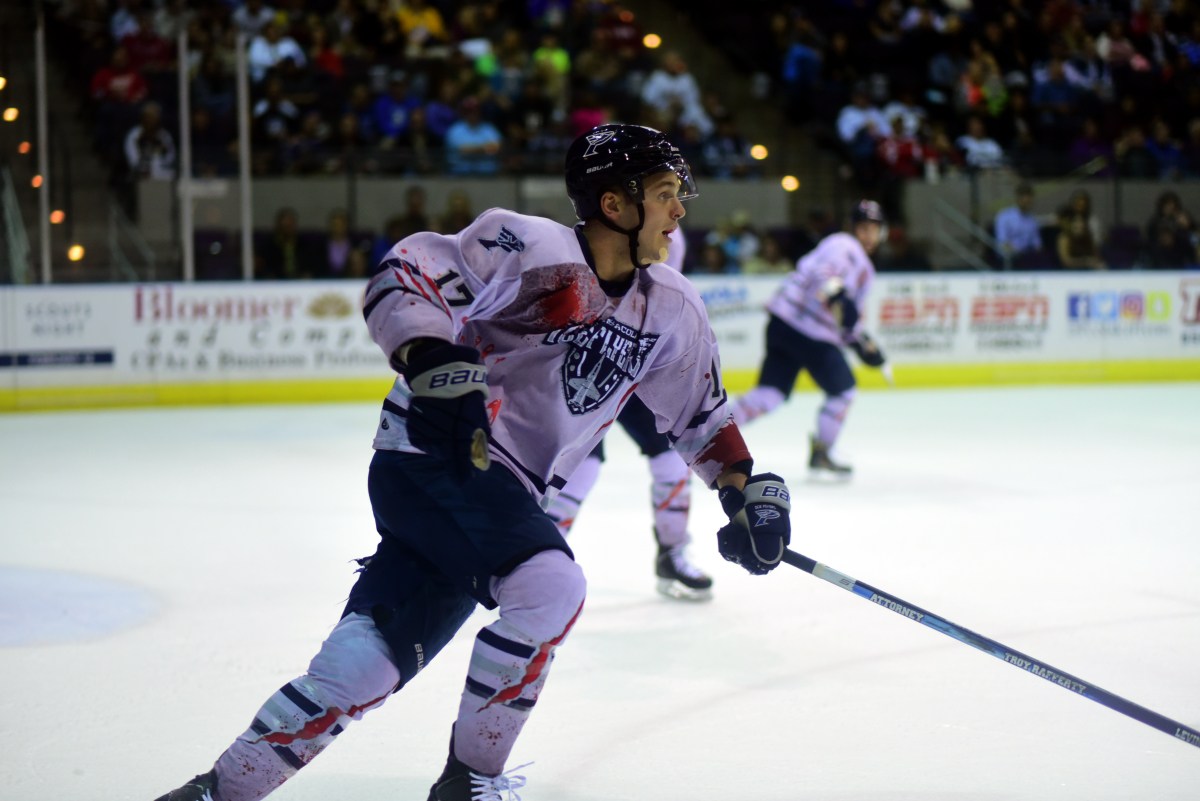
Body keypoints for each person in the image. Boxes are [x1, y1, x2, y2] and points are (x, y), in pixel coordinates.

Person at [151, 123, 793, 801]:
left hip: (492, 498)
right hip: (436, 451)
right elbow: (408, 272)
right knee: (551, 585)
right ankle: (471, 782)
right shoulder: (531, 246)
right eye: (665, 194)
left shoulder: (672, 310)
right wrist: (429, 354)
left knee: (364, 665)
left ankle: (215, 790)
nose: (679, 211)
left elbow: (703, 416)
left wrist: (744, 491)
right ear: (615, 204)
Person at [543, 227, 713, 601]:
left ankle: (672, 551)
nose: (675, 206)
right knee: (580, 463)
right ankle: (538, 556)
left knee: (669, 460)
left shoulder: (669, 233)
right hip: (591, 356)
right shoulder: (606, 222)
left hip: (639, 360)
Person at [728, 199, 889, 478]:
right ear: (852, 228)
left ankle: (710, 433)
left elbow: (847, 316)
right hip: (810, 334)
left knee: (771, 394)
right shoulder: (845, 246)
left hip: (782, 324)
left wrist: (862, 342)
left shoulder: (853, 258)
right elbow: (824, 277)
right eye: (863, 227)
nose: (867, 234)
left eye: (873, 228)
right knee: (844, 391)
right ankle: (823, 452)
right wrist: (840, 299)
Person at [993, 182, 1046, 269]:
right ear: (1018, 199)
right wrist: (1017, 253)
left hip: (1027, 257)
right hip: (1010, 258)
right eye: (1024, 199)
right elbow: (1002, 243)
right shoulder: (1004, 216)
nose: (1027, 202)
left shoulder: (1032, 220)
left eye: (1029, 200)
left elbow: (1037, 245)